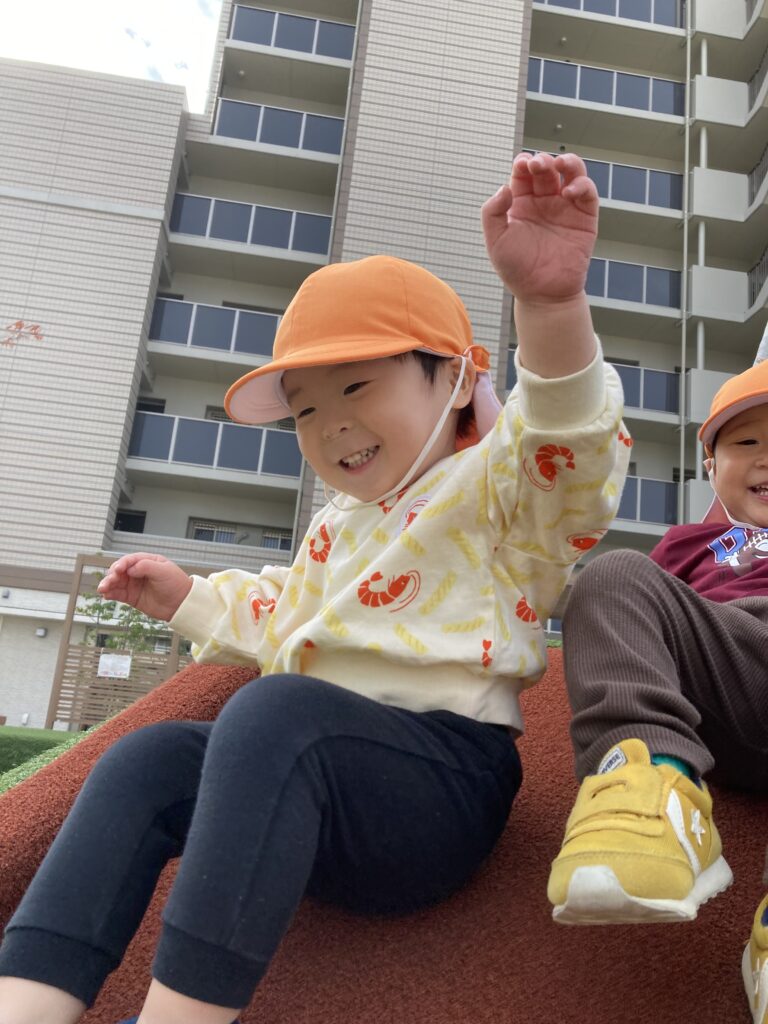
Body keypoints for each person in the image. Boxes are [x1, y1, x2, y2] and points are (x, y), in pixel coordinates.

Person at [0, 152, 629, 1024]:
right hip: (308, 794)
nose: (331, 423)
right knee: (148, 760)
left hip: (437, 790)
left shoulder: (497, 488)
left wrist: (552, 307)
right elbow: (283, 612)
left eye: (357, 386)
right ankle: (28, 1003)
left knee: (273, 712)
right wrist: (186, 597)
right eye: (304, 409)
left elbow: (570, 442)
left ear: (453, 379)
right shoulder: (338, 525)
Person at [546, 359, 768, 1022]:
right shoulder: (691, 543)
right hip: (726, 666)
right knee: (613, 575)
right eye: (748, 442)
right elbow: (640, 624)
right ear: (711, 466)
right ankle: (654, 785)